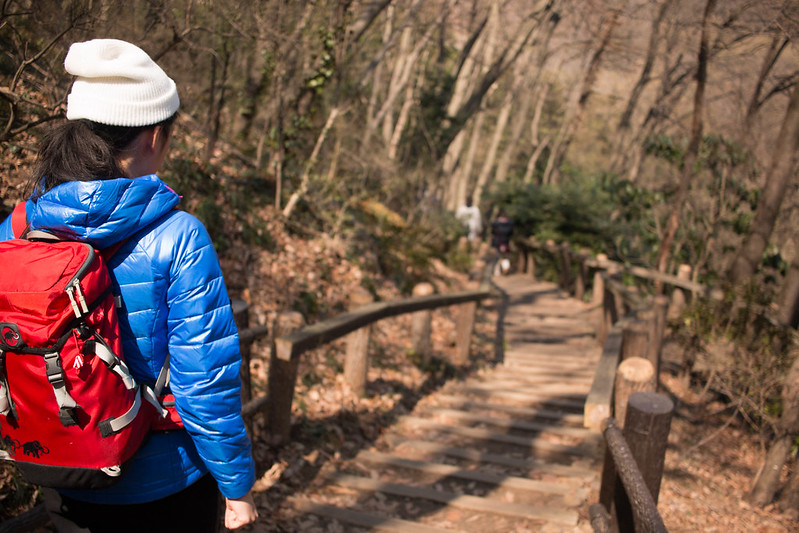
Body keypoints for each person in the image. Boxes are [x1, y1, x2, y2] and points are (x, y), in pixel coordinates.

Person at [0, 39, 258, 532]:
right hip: (164, 487)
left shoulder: (15, 231)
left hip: (60, 472)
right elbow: (204, 384)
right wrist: (237, 487)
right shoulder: (179, 237)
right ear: (155, 135)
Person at [491, 210, 514, 275]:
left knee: (497, 257)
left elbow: (492, 232)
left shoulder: (496, 224)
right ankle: (505, 268)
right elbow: (511, 233)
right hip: (506, 242)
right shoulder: (509, 224)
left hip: (497, 243)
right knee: (505, 257)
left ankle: (497, 270)